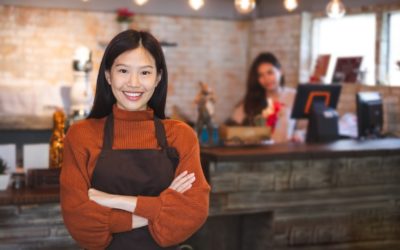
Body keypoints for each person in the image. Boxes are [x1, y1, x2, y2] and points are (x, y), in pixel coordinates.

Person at [60, 30, 210, 250]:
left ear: (158, 78)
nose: (133, 83)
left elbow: (194, 212)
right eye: (123, 70)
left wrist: (114, 201)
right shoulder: (81, 135)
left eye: (145, 73)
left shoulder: (181, 136)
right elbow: (80, 223)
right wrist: (161, 207)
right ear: (108, 75)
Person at [228, 52, 299, 143]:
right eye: (261, 75)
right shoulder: (251, 101)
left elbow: (304, 127)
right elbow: (232, 133)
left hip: (287, 152)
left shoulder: (294, 96)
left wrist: (297, 134)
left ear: (281, 71)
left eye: (270, 73)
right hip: (258, 154)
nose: (266, 79)